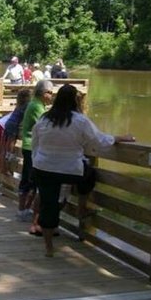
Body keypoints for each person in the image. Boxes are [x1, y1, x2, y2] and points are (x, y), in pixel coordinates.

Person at [32, 84, 136, 257]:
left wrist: (38, 163)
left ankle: (49, 247)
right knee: (89, 176)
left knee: (48, 205)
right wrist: (119, 138)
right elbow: (99, 140)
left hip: (44, 168)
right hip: (70, 169)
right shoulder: (79, 120)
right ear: (75, 100)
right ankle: (81, 207)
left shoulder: (45, 118)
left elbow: (35, 143)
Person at [18, 80, 54, 227]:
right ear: (42, 93)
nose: (51, 96)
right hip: (30, 147)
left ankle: (26, 209)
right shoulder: (36, 106)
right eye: (49, 93)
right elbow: (46, 125)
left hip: (32, 147)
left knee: (32, 180)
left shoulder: (37, 105)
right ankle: (22, 210)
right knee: (29, 179)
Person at [2, 89, 32, 173]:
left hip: (9, 123)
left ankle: (7, 157)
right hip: (14, 124)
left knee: (9, 140)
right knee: (12, 140)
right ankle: (10, 154)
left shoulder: (19, 105)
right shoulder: (27, 105)